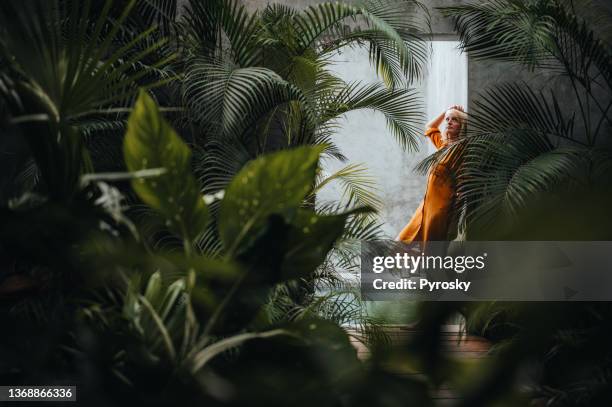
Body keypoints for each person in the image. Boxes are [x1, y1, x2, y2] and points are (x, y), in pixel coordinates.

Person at [396, 105, 467, 250]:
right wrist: (445, 110)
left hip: (441, 208)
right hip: (425, 206)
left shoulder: (462, 149)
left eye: (454, 120)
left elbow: (463, 179)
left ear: (462, 125)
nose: (448, 122)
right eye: (447, 119)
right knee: (401, 242)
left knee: (430, 249)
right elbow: (430, 126)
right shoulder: (443, 144)